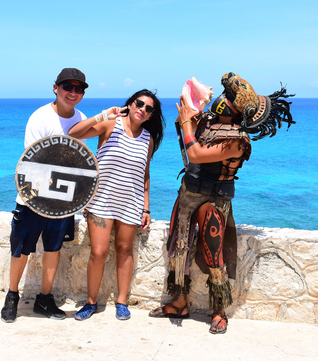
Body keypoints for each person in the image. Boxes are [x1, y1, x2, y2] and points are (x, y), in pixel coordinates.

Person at [149, 72, 294, 334]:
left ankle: (219, 310)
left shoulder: (238, 140)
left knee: (214, 254)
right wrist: (191, 112)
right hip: (189, 190)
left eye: (228, 97)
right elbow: (188, 146)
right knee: (179, 247)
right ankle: (179, 302)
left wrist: (186, 123)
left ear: (238, 109)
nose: (222, 98)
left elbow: (195, 153)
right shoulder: (208, 121)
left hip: (215, 199)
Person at [1, 67, 89, 323]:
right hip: (33, 198)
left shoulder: (80, 118)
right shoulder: (40, 117)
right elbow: (34, 160)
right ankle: (12, 296)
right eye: (67, 87)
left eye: (78, 89)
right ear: (56, 88)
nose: (72, 93)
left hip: (62, 202)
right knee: (21, 250)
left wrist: (81, 197)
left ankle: (45, 299)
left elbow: (79, 163)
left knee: (53, 249)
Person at [68, 90, 165, 321]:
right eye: (139, 103)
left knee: (124, 251)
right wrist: (102, 115)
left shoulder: (147, 139)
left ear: (151, 115)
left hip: (130, 203)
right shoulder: (111, 125)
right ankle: (91, 303)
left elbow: (145, 175)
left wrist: (146, 207)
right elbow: (74, 133)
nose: (142, 109)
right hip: (101, 200)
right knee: (98, 252)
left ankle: (121, 301)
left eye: (148, 108)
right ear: (130, 105)